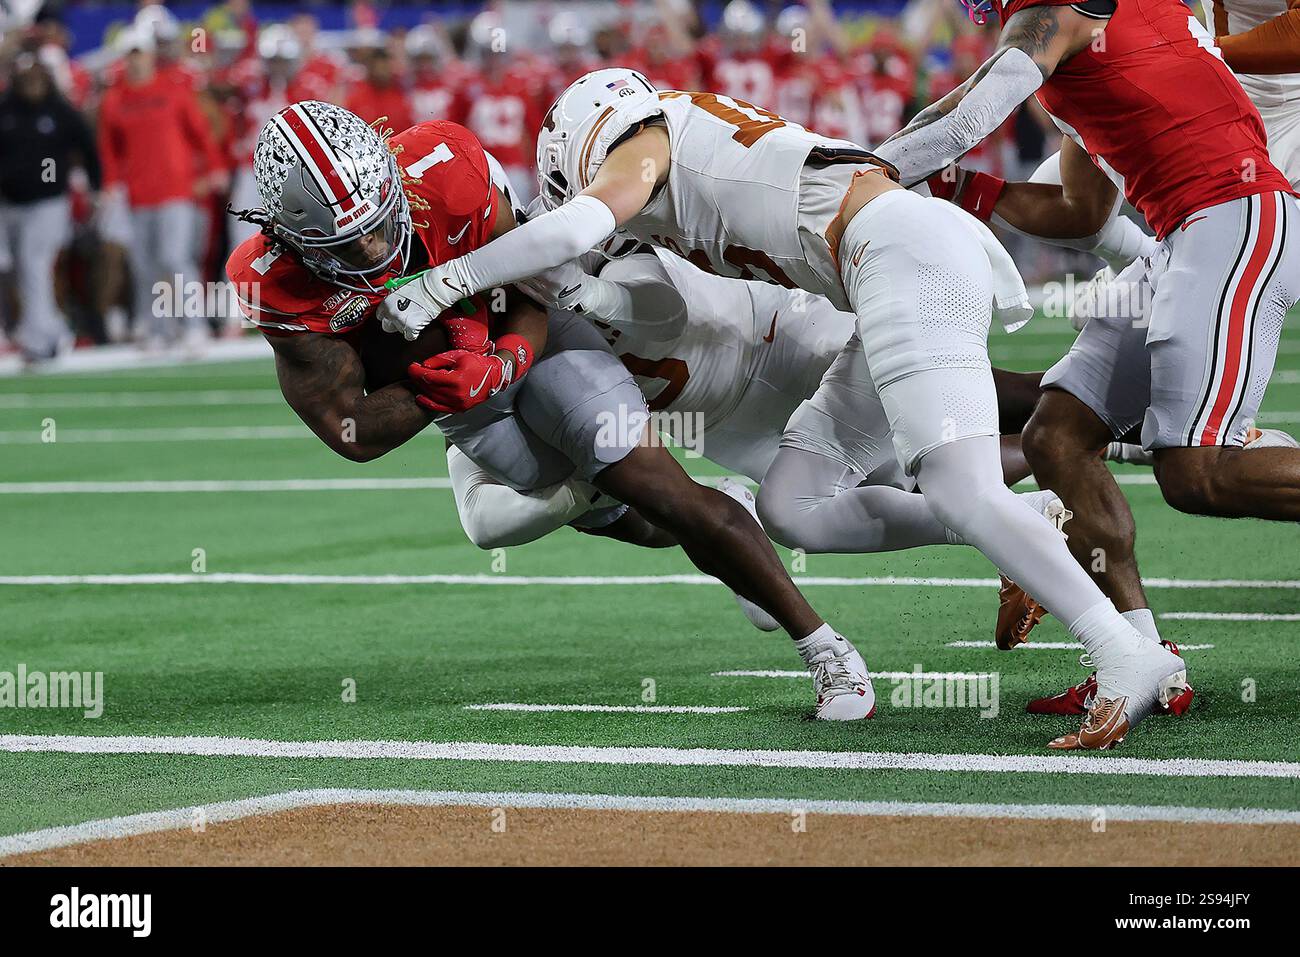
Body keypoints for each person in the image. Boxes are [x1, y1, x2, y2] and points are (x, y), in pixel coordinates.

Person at [379, 67, 1181, 750]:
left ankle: (1122, 647)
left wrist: (452, 279)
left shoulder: (643, 147)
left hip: (892, 257)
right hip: (882, 264)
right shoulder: (673, 146)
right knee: (795, 508)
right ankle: (1076, 542)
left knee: (956, 481)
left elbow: (601, 234)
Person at [226, 101, 878, 721]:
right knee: (626, 518)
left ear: (394, 179)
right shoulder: (271, 282)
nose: (373, 251)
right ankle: (721, 515)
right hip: (454, 402)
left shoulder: (445, 165)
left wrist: (502, 358)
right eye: (346, 244)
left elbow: (530, 282)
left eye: (378, 224)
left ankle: (826, 650)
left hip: (532, 340)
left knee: (658, 487)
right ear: (290, 240)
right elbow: (351, 429)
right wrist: (440, 389)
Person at [873, 0, 1299, 745]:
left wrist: (861, 173)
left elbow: (965, 118)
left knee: (1195, 471)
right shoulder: (1072, 43)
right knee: (1057, 438)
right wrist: (960, 189)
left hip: (1233, 214)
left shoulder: (1060, 15)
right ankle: (1143, 658)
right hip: (1182, 233)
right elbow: (1079, 210)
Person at [0, 53, 99, 361]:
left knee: (34, 265)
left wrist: (96, 186)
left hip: (49, 203)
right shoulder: (5, 110)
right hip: (11, 204)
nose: (31, 83)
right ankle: (55, 330)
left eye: (36, 77)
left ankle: (38, 341)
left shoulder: (59, 110)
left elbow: (87, 144)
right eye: (25, 77)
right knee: (21, 269)